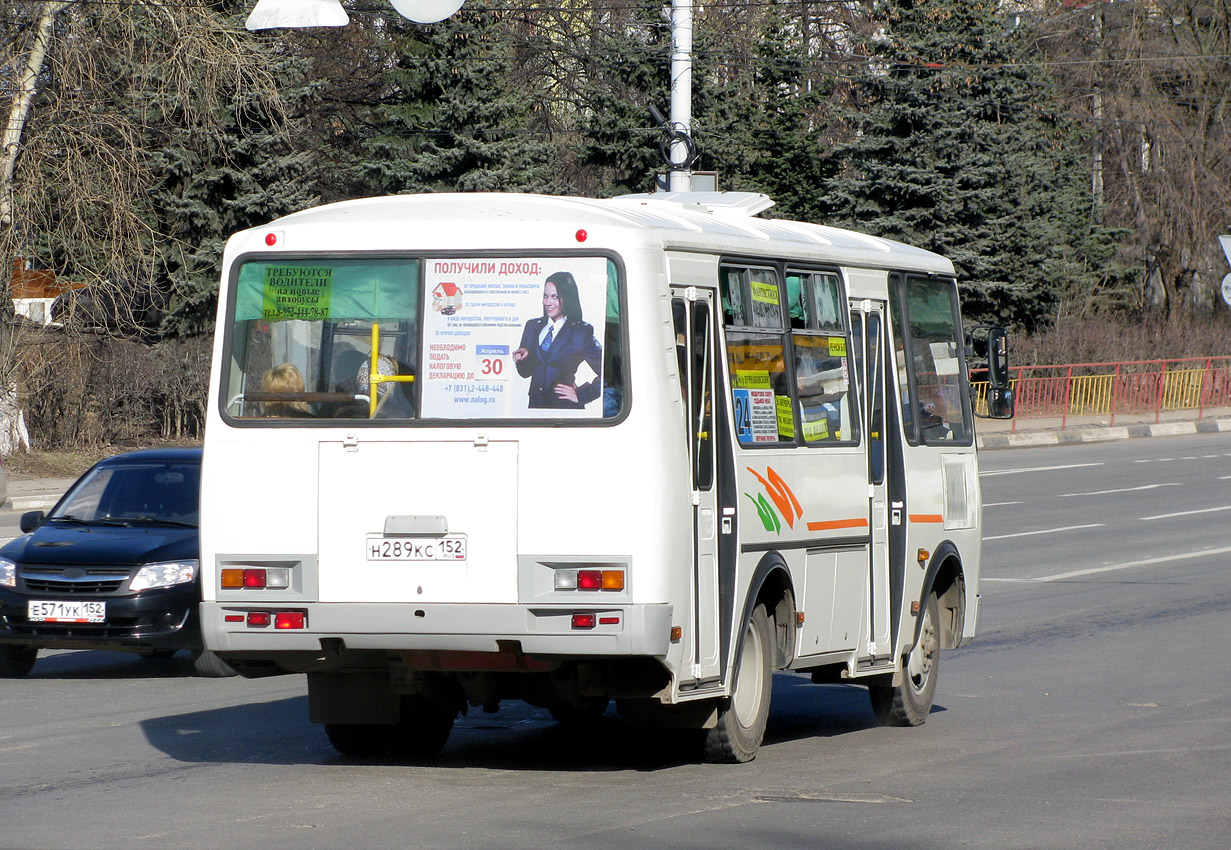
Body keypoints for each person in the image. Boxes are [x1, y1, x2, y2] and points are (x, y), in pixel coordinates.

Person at [512, 271, 602, 410]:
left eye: (555, 297)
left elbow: (611, 373)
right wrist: (522, 358)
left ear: (567, 298)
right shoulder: (533, 326)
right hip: (536, 408)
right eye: (545, 296)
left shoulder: (581, 332)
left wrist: (582, 394)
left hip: (565, 409)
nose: (548, 302)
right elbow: (525, 373)